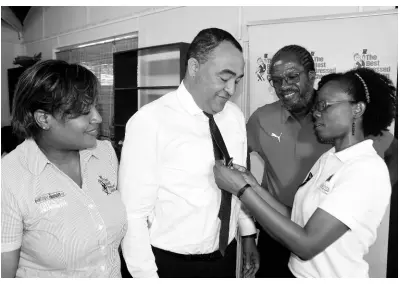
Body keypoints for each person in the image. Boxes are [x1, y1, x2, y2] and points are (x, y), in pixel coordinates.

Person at [213, 67, 396, 277]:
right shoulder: (329, 158)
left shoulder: (365, 170)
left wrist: (241, 190)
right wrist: (253, 185)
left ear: (357, 109)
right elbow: (297, 219)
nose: (316, 113)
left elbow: (306, 246)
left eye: (324, 106)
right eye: (316, 105)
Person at [119, 28, 259, 278]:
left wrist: (247, 232)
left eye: (237, 80)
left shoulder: (235, 117)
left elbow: (237, 184)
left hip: (224, 256)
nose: (231, 89)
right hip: (170, 264)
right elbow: (133, 214)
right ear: (194, 67)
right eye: (224, 77)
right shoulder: (150, 121)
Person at [1, 60, 128, 278]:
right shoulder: (10, 177)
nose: (97, 117)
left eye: (95, 106)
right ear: (43, 118)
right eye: (83, 111)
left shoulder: (105, 153)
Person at [246, 45, 332, 277]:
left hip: (324, 236)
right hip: (274, 233)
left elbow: (391, 153)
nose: (283, 87)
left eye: (292, 77)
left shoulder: (335, 116)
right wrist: (248, 236)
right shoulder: (262, 118)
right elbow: (238, 171)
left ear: (312, 76)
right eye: (276, 80)